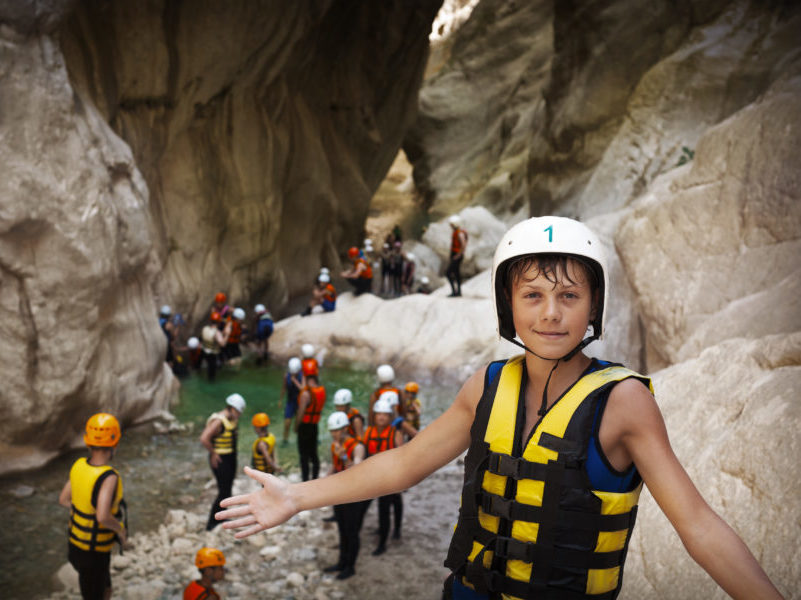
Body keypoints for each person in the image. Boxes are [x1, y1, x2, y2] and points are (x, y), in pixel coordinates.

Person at [217, 215, 784, 600]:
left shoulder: (624, 402)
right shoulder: (486, 386)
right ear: (508, 307)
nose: (551, 314)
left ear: (593, 307)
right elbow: (404, 464)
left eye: (569, 296)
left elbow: (698, 525)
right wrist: (295, 496)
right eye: (532, 295)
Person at [59, 413, 131, 600]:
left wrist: (83, 511)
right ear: (114, 444)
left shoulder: (78, 465)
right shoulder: (108, 477)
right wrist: (121, 531)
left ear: (88, 442)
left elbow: (64, 500)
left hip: (75, 546)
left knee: (105, 588)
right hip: (93, 553)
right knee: (95, 594)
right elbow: (102, 516)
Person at [323, 411, 368, 580]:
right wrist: (323, 482)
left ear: (345, 429)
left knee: (352, 530)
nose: (334, 434)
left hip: (354, 495)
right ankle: (341, 562)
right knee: (341, 529)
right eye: (332, 431)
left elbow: (356, 470)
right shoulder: (335, 445)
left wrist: (343, 455)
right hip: (339, 493)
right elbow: (335, 467)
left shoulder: (358, 447)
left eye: (337, 430)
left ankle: (350, 566)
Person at [362, 394, 405, 556]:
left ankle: (386, 540)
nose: (381, 417)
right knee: (377, 506)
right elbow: (365, 454)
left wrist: (400, 480)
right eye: (378, 414)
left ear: (389, 417)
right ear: (374, 416)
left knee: (386, 508)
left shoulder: (396, 434)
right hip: (374, 477)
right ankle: (384, 531)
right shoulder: (368, 432)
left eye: (384, 415)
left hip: (390, 478)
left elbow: (401, 457)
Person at [200, 393, 245, 530]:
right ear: (232, 408)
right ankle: (212, 522)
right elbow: (204, 438)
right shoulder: (219, 421)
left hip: (230, 457)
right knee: (223, 491)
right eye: (238, 411)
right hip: (221, 459)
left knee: (228, 490)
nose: (239, 415)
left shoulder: (231, 419)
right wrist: (213, 453)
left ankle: (222, 516)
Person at [295, 373, 326, 481]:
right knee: (313, 453)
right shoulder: (321, 390)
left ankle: (305, 480)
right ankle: (315, 478)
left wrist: (296, 426)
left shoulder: (306, 394)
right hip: (314, 426)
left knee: (304, 456)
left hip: (304, 427)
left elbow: (301, 412)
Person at [279, 357, 303, 445]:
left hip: (300, 403)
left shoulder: (302, 376)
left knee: (298, 424)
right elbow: (284, 388)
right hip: (290, 402)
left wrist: (295, 381)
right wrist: (280, 400)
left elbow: (303, 390)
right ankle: (285, 440)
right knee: (287, 423)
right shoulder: (286, 376)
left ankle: (300, 439)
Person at [200, 312, 231, 382]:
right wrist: (227, 335)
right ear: (219, 322)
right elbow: (222, 344)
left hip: (205, 351)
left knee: (208, 369)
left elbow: (214, 336)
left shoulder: (205, 328)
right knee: (212, 374)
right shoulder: (217, 333)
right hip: (213, 354)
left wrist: (223, 332)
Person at [445, 215, 468, 297]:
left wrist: (458, 255)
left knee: (448, 273)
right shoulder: (457, 232)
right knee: (456, 272)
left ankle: (455, 292)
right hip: (456, 255)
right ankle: (458, 292)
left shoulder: (459, 233)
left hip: (457, 256)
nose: (450, 226)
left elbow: (463, 245)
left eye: (451, 224)